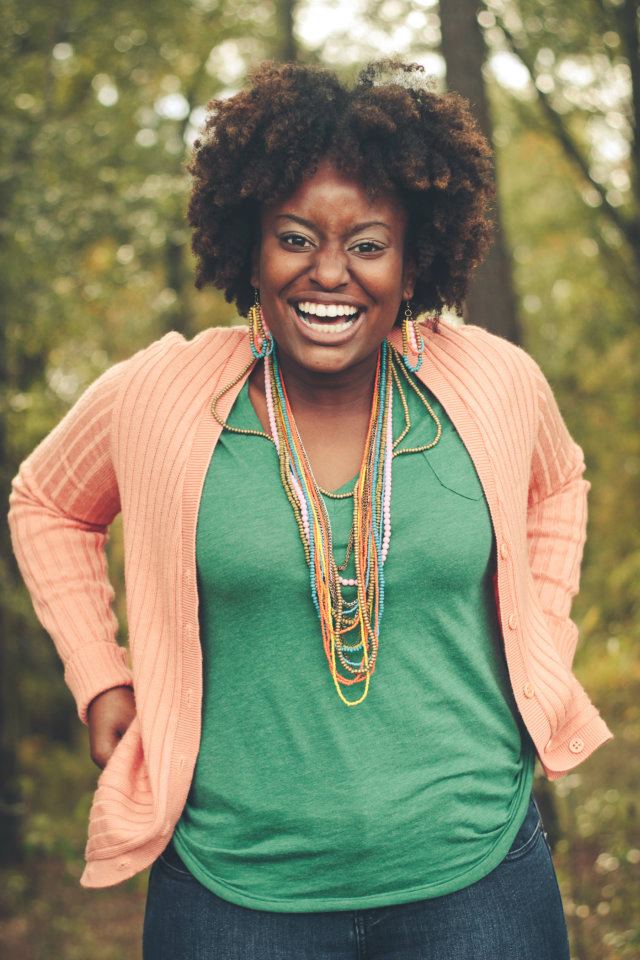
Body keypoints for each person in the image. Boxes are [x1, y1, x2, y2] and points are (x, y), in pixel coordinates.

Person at [7, 59, 614, 960]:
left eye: (368, 244)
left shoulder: (493, 381)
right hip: (234, 894)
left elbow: (557, 487)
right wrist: (102, 674)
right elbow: (47, 502)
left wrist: (545, 639)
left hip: (477, 878)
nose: (329, 272)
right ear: (250, 248)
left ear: (413, 262)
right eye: (295, 238)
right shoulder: (159, 395)